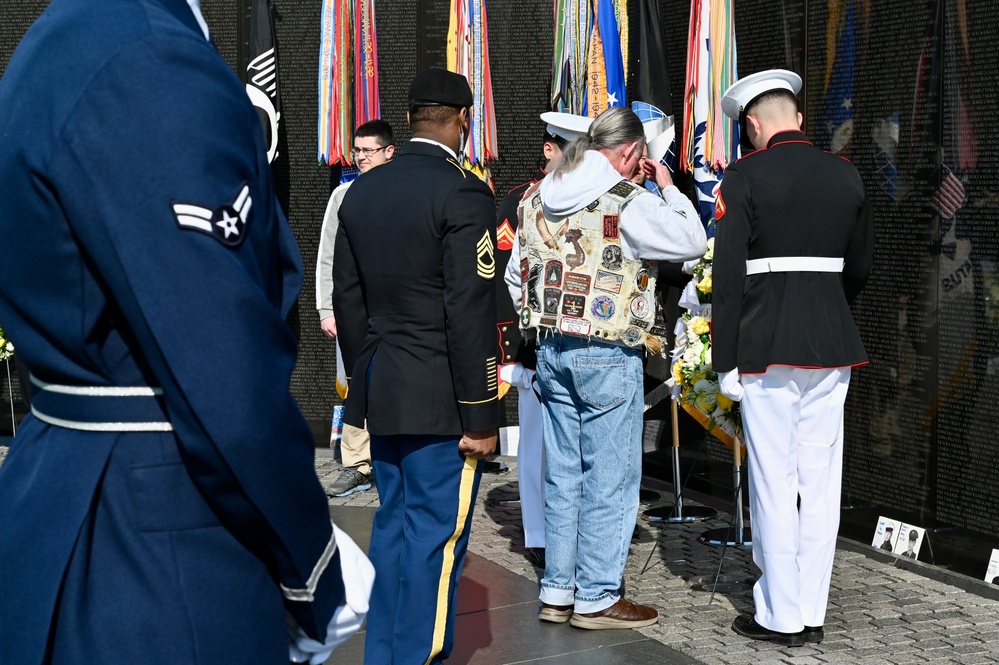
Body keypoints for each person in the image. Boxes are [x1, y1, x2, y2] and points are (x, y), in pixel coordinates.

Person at [0, 0, 372, 663]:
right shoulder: (146, 58)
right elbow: (220, 367)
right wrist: (312, 569)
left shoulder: (66, 37)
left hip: (77, 492)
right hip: (159, 537)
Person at [505, 106, 706, 629]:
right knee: (611, 476)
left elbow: (513, 275)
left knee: (565, 472)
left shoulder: (534, 197)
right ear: (632, 152)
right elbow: (691, 241)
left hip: (550, 346)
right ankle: (596, 595)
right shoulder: (627, 198)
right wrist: (668, 188)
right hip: (608, 348)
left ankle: (558, 590)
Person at [333, 68, 499, 664]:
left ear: (407, 120)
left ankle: (384, 654)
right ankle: (416, 658)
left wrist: (367, 382)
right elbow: (469, 308)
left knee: (395, 526)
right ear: (463, 120)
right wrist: (481, 413)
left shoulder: (362, 191)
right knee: (436, 536)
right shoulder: (463, 193)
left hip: (385, 386)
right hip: (443, 398)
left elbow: (349, 303)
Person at [712, 69, 874, 648]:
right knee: (820, 481)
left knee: (773, 481)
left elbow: (727, 277)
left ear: (752, 124)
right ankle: (810, 608)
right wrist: (825, 309)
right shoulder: (846, 174)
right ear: (799, 118)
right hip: (831, 346)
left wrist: (723, 359)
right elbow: (858, 268)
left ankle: (780, 616)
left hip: (765, 345)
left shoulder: (744, 176)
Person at [497, 111, 593, 570]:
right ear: (551, 150)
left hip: (592, 343)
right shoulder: (526, 201)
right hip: (541, 343)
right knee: (536, 441)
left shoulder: (603, 197)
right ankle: (538, 530)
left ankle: (579, 529)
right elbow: (510, 275)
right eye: (573, 150)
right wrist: (529, 323)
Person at [316, 119, 395, 497]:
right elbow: (327, 255)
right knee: (355, 386)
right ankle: (356, 464)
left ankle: (391, 462)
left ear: (389, 151)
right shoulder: (342, 196)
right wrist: (325, 309)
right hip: (352, 312)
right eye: (358, 150)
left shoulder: (403, 191)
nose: (361, 157)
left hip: (394, 311)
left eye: (369, 150)